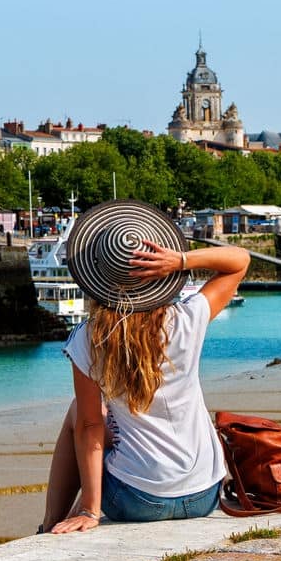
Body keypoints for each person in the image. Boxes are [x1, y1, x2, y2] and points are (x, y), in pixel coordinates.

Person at [40, 200, 249, 533]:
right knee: (104, 420)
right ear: (160, 275)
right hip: (203, 494)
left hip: (136, 501)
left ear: (98, 278)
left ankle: (50, 523)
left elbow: (90, 427)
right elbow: (240, 261)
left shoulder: (90, 338)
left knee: (80, 412)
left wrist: (92, 511)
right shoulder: (187, 319)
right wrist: (180, 260)